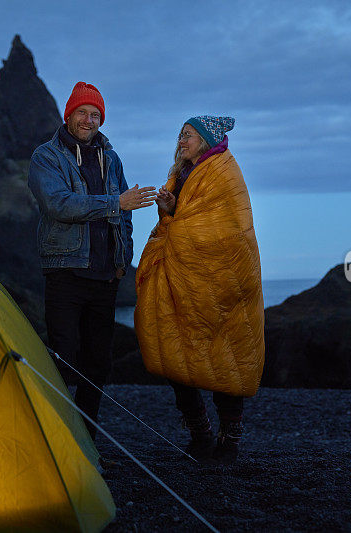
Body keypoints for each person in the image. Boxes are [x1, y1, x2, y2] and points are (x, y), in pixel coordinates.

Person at [28, 81, 157, 441]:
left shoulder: (111, 158)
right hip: (66, 274)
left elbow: (126, 215)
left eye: (96, 115)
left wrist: (122, 261)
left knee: (98, 366)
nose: (89, 120)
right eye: (82, 112)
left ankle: (85, 442)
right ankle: (54, 437)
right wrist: (116, 203)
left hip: (105, 277)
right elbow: (59, 205)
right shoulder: (46, 157)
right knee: (64, 361)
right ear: (69, 115)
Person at [134, 115, 265, 464]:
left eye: (188, 136)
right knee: (177, 354)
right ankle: (200, 433)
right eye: (179, 135)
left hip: (224, 280)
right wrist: (167, 211)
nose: (181, 141)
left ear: (206, 139)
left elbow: (225, 227)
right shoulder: (181, 174)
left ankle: (228, 440)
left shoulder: (223, 171)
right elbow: (182, 222)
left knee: (227, 354)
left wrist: (176, 221)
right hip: (185, 278)